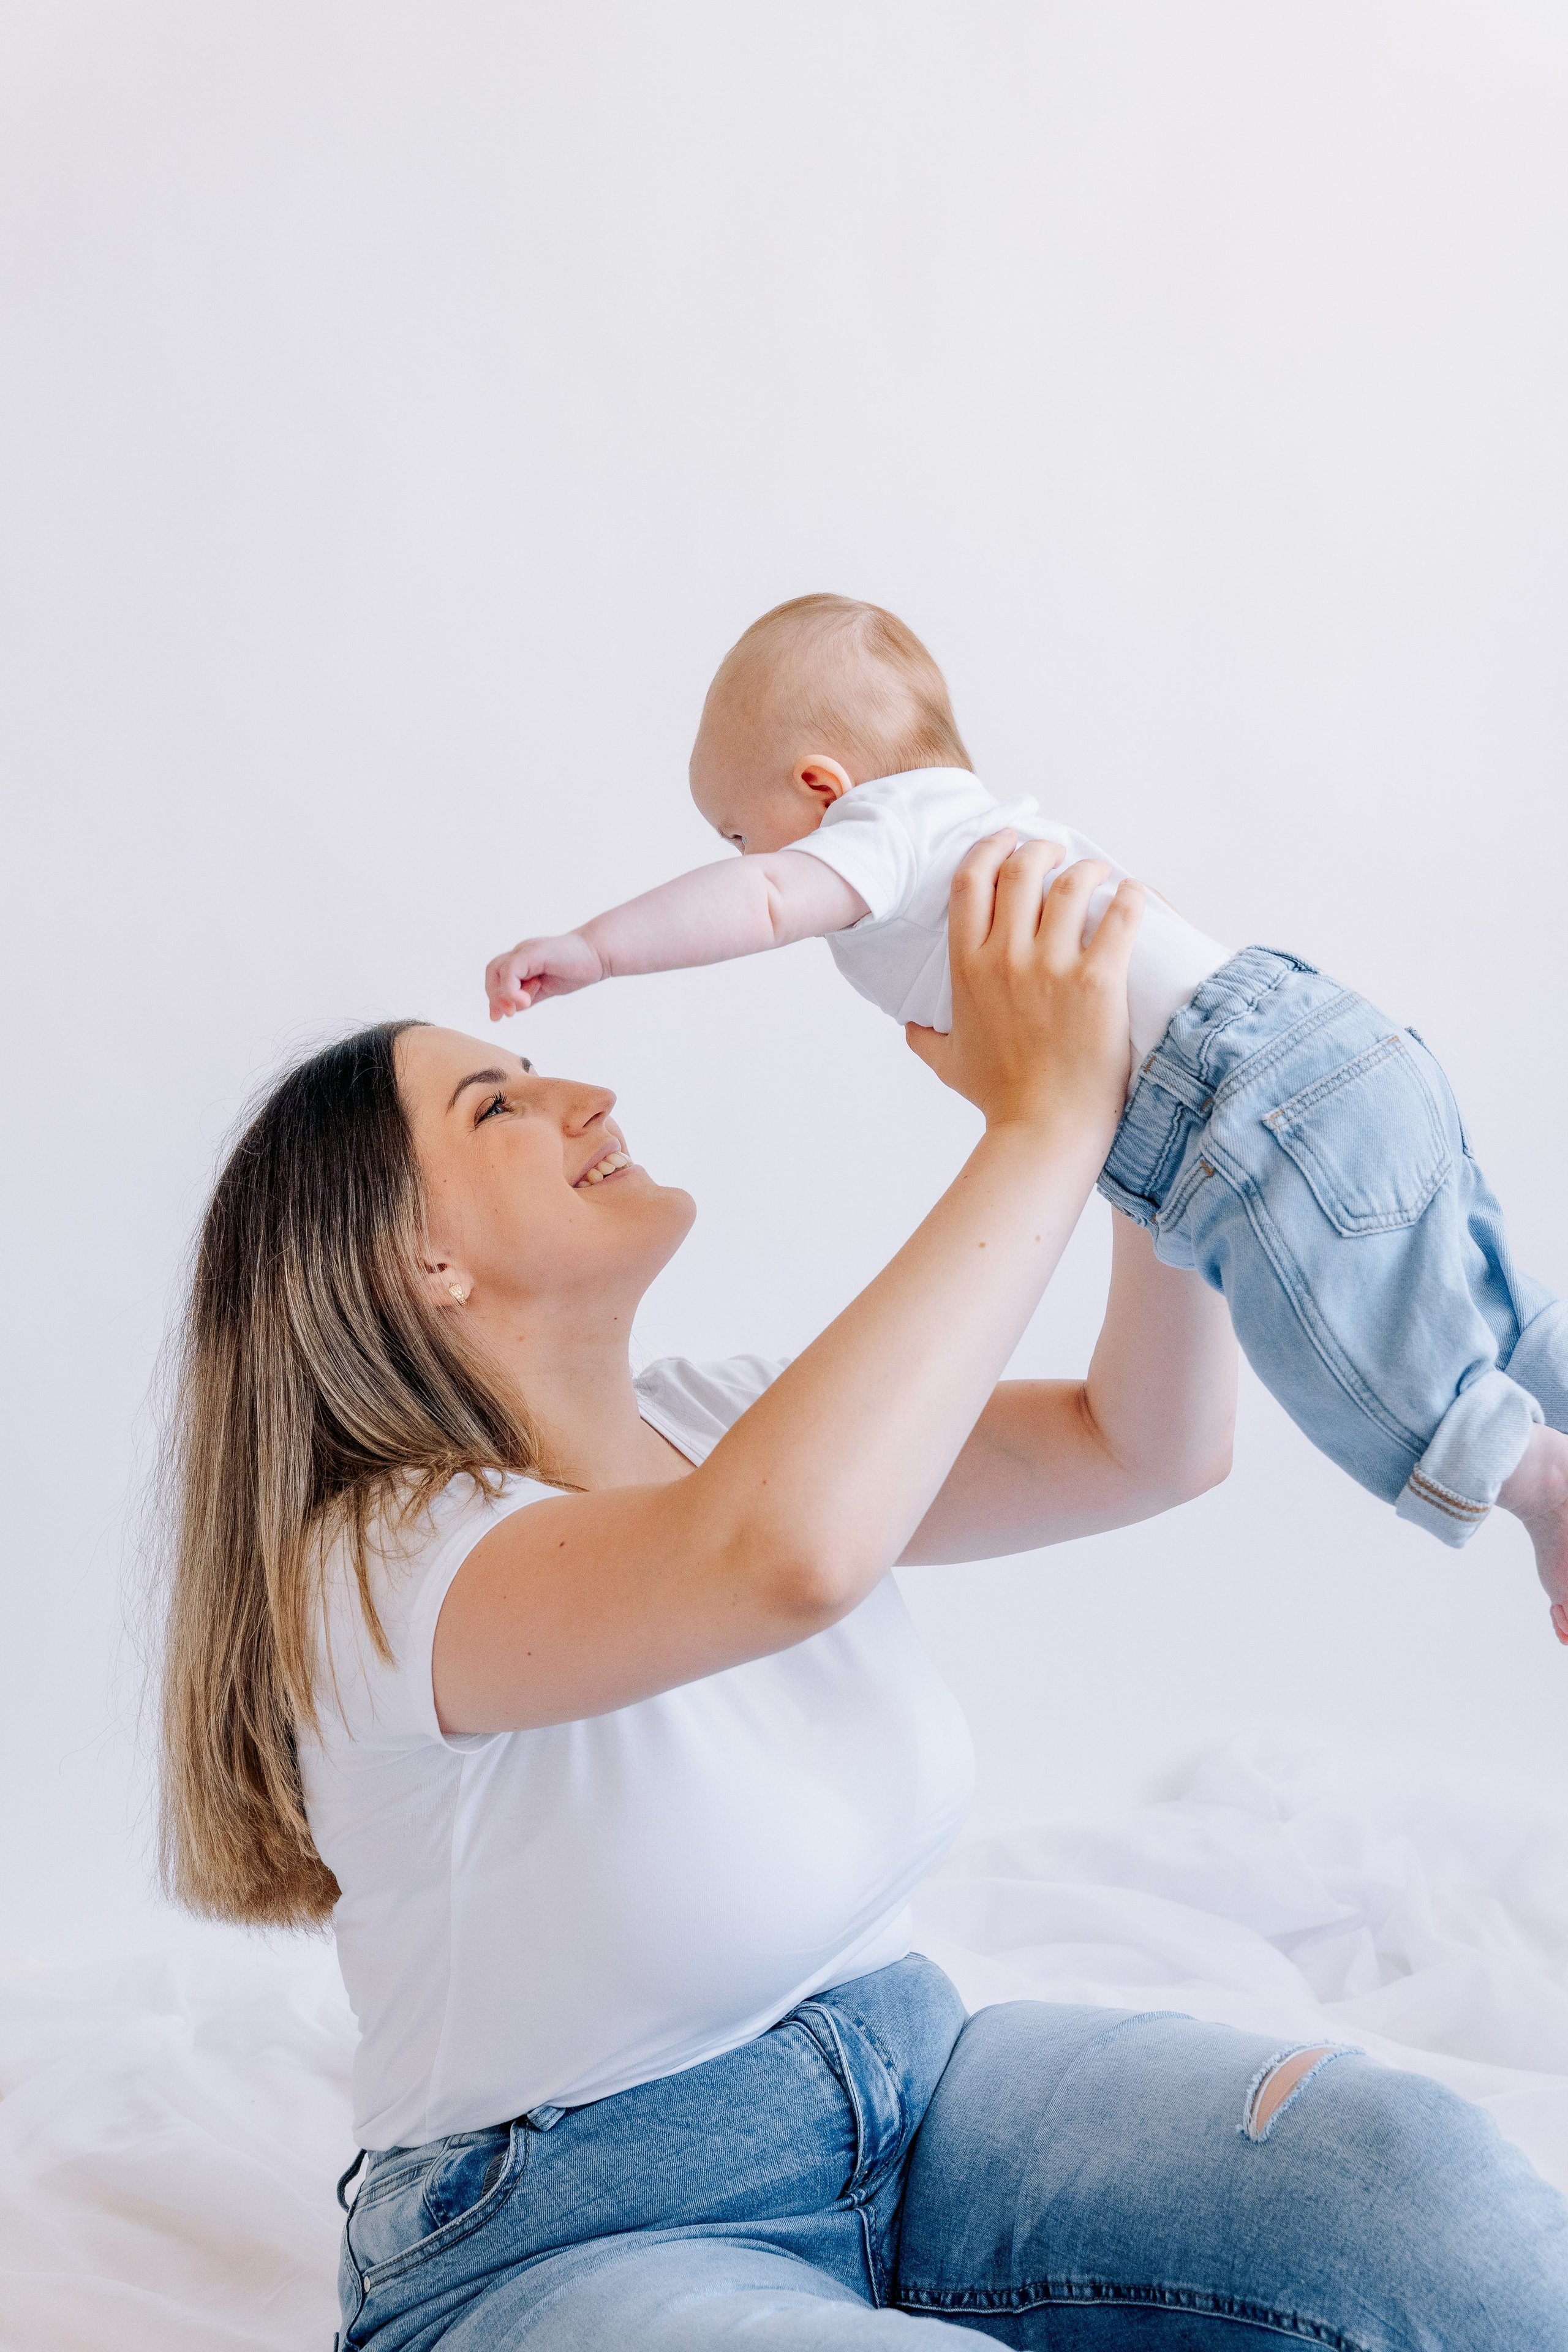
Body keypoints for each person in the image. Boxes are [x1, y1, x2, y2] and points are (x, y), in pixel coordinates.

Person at [159, 839, 1568, 2347]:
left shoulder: (720, 1422)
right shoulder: (374, 1564)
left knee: (1418, 2196)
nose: (587, 1095)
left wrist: (1147, 1106)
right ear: (416, 1260)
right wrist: (1039, 1116)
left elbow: (1144, 1444)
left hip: (918, 2095)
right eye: (496, 1105)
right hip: (565, 2234)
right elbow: (781, 1560)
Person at [484, 594, 1568, 1631]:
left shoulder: (878, 830)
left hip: (1239, 1106)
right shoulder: (983, 818)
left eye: (738, 834)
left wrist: (596, 949)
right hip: (1329, 1032)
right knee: (1491, 1311)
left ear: (821, 787)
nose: (752, 863)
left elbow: (767, 903)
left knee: (1357, 1362)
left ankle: (1544, 1487)